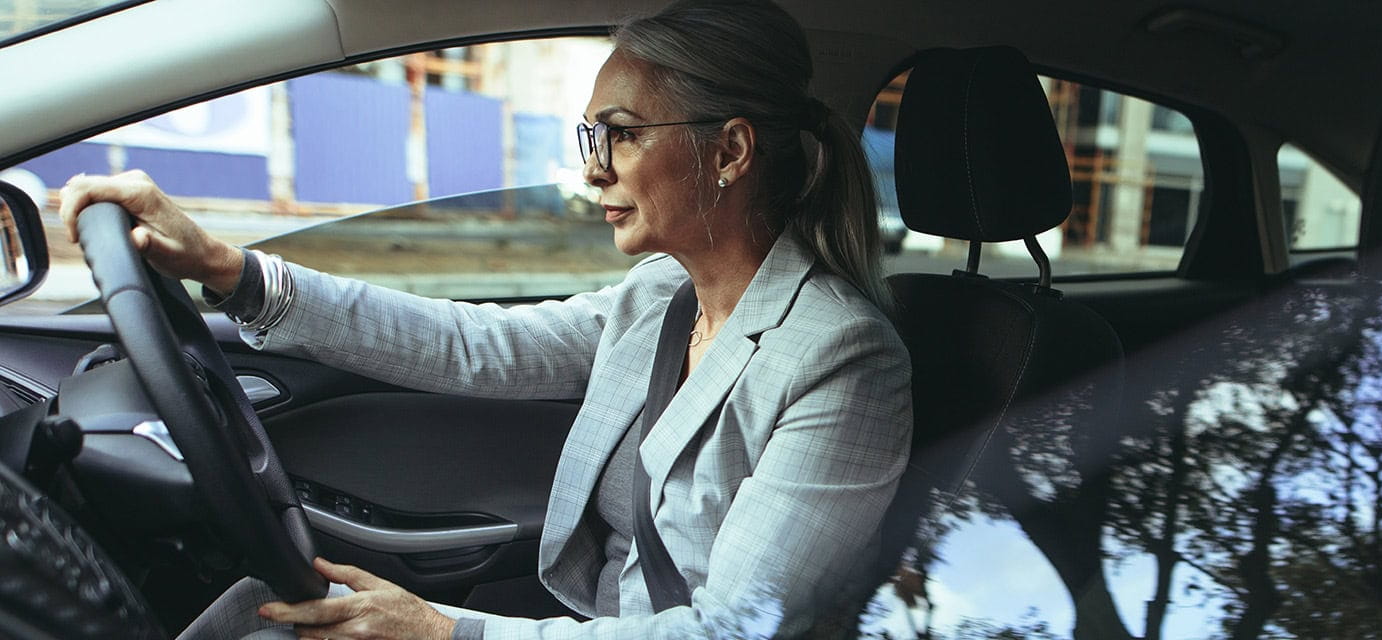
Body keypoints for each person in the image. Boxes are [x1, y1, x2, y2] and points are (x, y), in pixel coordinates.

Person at [58, 0, 912, 637]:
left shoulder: (842, 358)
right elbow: (476, 345)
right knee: (265, 618)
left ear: (729, 151)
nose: (593, 172)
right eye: (590, 137)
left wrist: (444, 631)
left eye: (619, 135)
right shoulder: (660, 298)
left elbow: (732, 631)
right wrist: (233, 271)